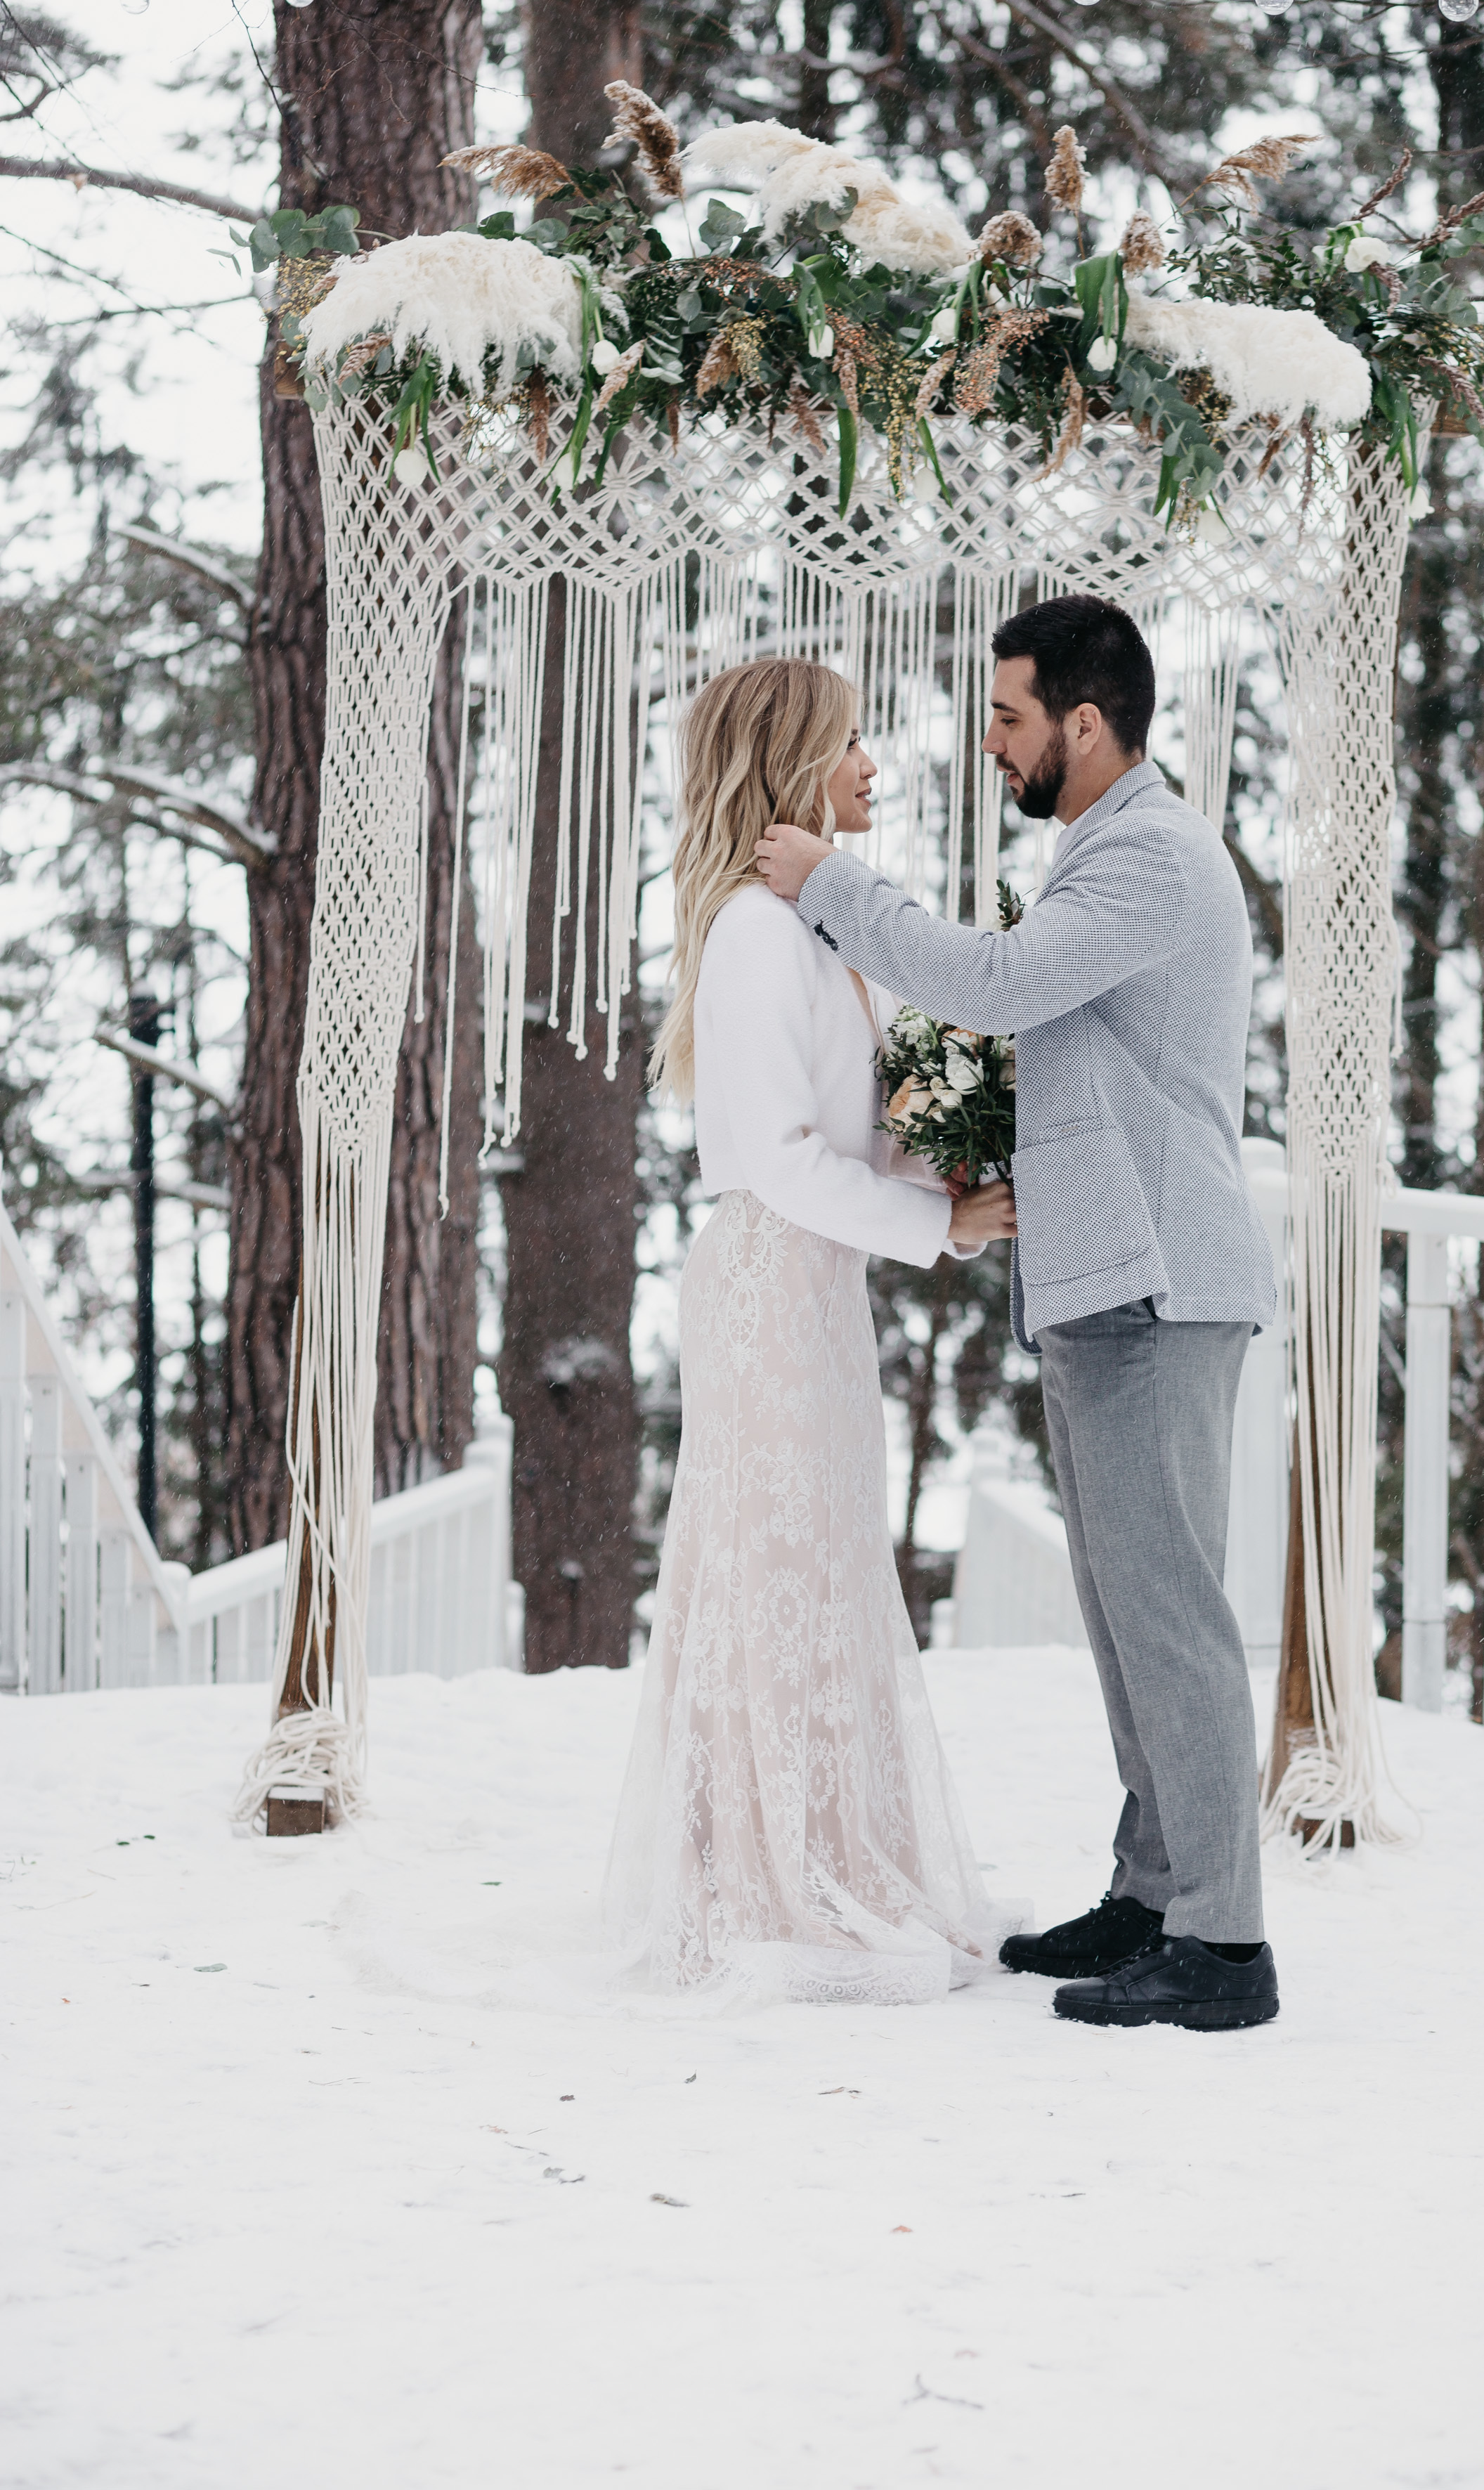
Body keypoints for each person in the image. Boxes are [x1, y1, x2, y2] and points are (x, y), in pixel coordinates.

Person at [756, 595, 1281, 2034]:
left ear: (1086, 723)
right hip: (1110, 1277)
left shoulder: (1153, 858)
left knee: (1167, 1610)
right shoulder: (1099, 850)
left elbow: (993, 985)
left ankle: (1224, 1949)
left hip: (1163, 1282)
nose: (989, 742)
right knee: (1124, 1611)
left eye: (1006, 715)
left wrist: (832, 888)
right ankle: (1155, 1890)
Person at [601, 656, 1024, 2004]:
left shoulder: (807, 929)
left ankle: (821, 1840)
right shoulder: (747, 933)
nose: (870, 767)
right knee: (769, 1571)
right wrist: (940, 1229)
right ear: (789, 765)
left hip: (818, 1286)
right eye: (849, 745)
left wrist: (940, 1171)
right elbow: (773, 1159)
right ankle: (763, 1873)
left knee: (816, 1565)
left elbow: (845, 1133)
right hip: (772, 1282)